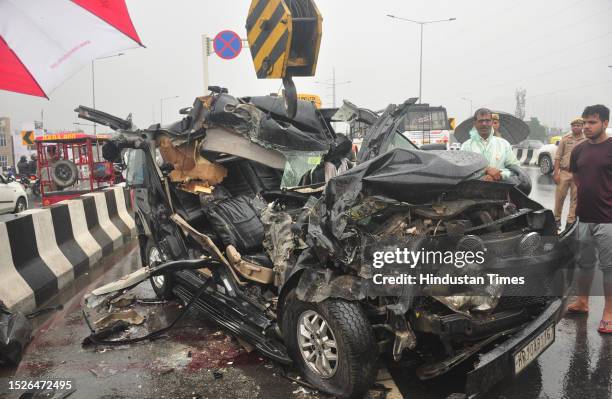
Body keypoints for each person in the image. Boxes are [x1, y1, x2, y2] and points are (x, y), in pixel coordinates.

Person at [565, 104, 612, 335]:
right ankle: (582, 302)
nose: (586, 127)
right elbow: (576, 177)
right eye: (584, 122)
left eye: (592, 122)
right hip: (584, 218)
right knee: (584, 264)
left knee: (609, 268)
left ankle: (609, 313)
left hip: (608, 220)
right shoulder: (579, 150)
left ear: (605, 123)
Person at [461, 108, 521, 182]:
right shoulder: (466, 146)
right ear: (475, 124)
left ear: (492, 122)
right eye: (481, 121)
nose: (484, 124)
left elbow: (515, 169)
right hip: (474, 190)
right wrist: (483, 174)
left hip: (500, 190)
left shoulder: (504, 144)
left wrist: (500, 174)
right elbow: (462, 172)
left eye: (487, 121)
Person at [553, 118, 585, 229]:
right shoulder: (565, 139)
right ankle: (556, 219)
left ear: (582, 126)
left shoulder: (586, 140)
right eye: (573, 125)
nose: (576, 127)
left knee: (575, 199)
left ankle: (570, 221)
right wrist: (556, 173)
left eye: (578, 125)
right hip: (564, 172)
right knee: (559, 197)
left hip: (579, 174)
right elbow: (558, 157)